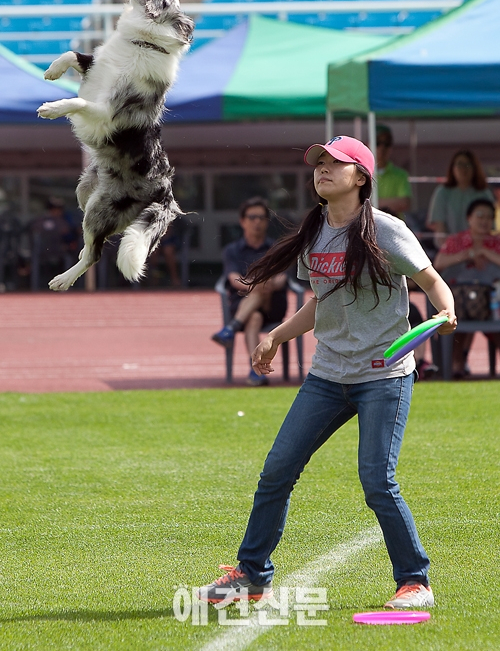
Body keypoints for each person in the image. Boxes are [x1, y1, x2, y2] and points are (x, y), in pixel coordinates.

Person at [198, 135, 456, 609]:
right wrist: (276, 335)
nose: (322, 169)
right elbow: (321, 304)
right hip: (328, 375)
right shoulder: (313, 234)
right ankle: (252, 577)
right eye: (318, 163)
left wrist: (445, 312)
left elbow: (431, 280)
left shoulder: (386, 229)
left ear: (361, 177)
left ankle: (414, 581)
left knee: (378, 480)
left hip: (384, 374)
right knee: (277, 470)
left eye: (334, 163)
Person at [211, 197, 288, 387]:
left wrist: (268, 284)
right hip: (245, 304)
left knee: (261, 288)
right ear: (242, 221)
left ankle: (231, 328)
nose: (257, 222)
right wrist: (255, 285)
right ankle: (256, 372)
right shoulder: (232, 250)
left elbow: (282, 277)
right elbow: (233, 278)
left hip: (273, 304)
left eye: (261, 218)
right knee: (254, 317)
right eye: (252, 217)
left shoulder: (275, 248)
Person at [434, 198, 500, 378]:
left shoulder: (497, 241)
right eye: (480, 215)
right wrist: (468, 254)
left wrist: (485, 252)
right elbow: (439, 263)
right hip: (461, 302)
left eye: (489, 217)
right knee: (457, 313)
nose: (485, 220)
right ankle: (457, 363)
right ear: (469, 218)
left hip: (493, 302)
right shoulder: (456, 240)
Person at [427, 149, 494, 247]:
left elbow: (489, 227)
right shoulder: (442, 192)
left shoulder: (484, 193)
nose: (463, 169)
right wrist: (448, 250)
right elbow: (439, 225)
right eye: (460, 164)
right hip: (449, 250)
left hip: (479, 251)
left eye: (468, 165)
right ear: (452, 168)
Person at [375, 124, 412, 217]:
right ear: (368, 143)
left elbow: (404, 203)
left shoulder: (401, 174)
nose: (382, 148)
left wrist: (373, 203)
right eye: (377, 143)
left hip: (394, 228)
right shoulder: (361, 174)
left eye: (387, 143)